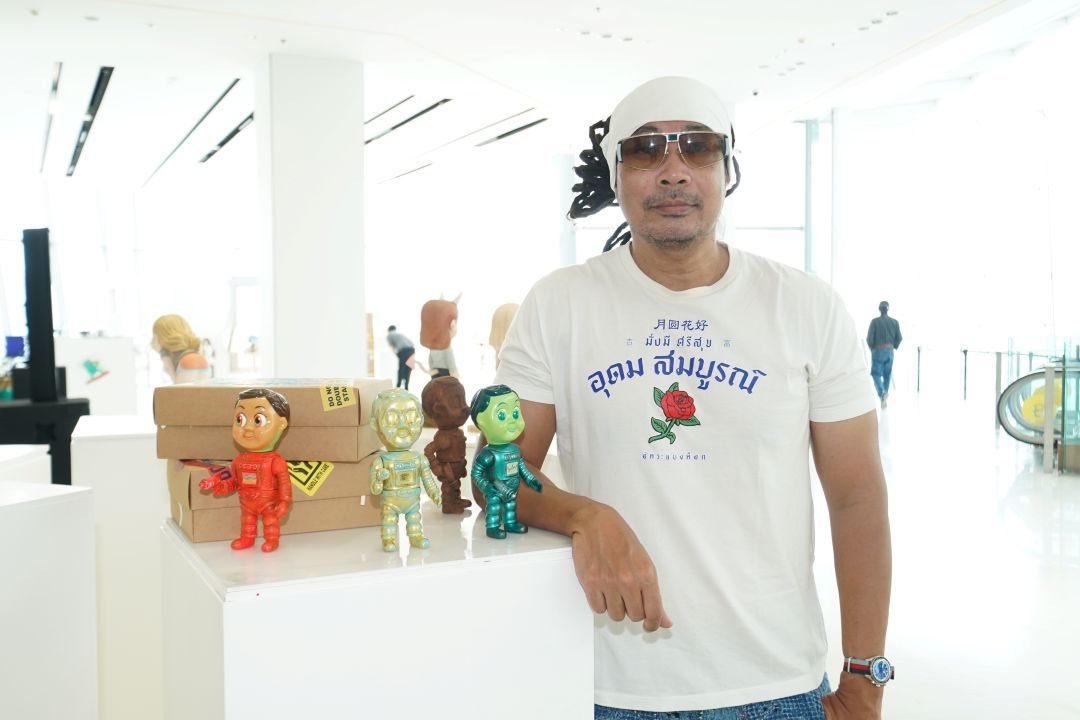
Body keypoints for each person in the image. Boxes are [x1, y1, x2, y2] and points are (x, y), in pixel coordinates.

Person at [488, 77, 892, 720]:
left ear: (728, 169)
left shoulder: (804, 305)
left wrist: (866, 676)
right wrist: (583, 514)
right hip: (607, 686)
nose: (673, 170)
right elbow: (499, 474)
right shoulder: (560, 303)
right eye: (645, 149)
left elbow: (857, 496)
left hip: (776, 684)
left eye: (697, 148)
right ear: (615, 173)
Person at [151, 314, 210, 383]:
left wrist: (162, 352)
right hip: (198, 361)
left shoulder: (165, 352)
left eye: (155, 335)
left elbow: (180, 389)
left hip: (187, 364)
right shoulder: (190, 354)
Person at [866, 302, 902, 409]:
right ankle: (884, 394)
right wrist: (893, 347)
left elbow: (869, 339)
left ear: (879, 309)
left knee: (875, 374)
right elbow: (899, 338)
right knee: (887, 374)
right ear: (887, 309)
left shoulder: (874, 322)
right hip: (890, 351)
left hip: (878, 350)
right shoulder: (894, 322)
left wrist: (872, 349)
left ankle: (882, 393)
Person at [420, 299, 459, 379]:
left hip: (435, 371)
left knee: (436, 385)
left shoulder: (433, 345)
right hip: (446, 372)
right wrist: (454, 371)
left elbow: (430, 359)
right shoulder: (446, 344)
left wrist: (432, 369)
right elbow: (450, 359)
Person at [386, 325, 423, 390]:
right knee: (408, 368)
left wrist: (397, 354)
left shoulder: (389, 335)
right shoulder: (400, 334)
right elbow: (411, 343)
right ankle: (406, 387)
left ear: (389, 330)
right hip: (411, 350)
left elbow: (392, 347)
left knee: (401, 368)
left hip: (403, 351)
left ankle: (398, 386)